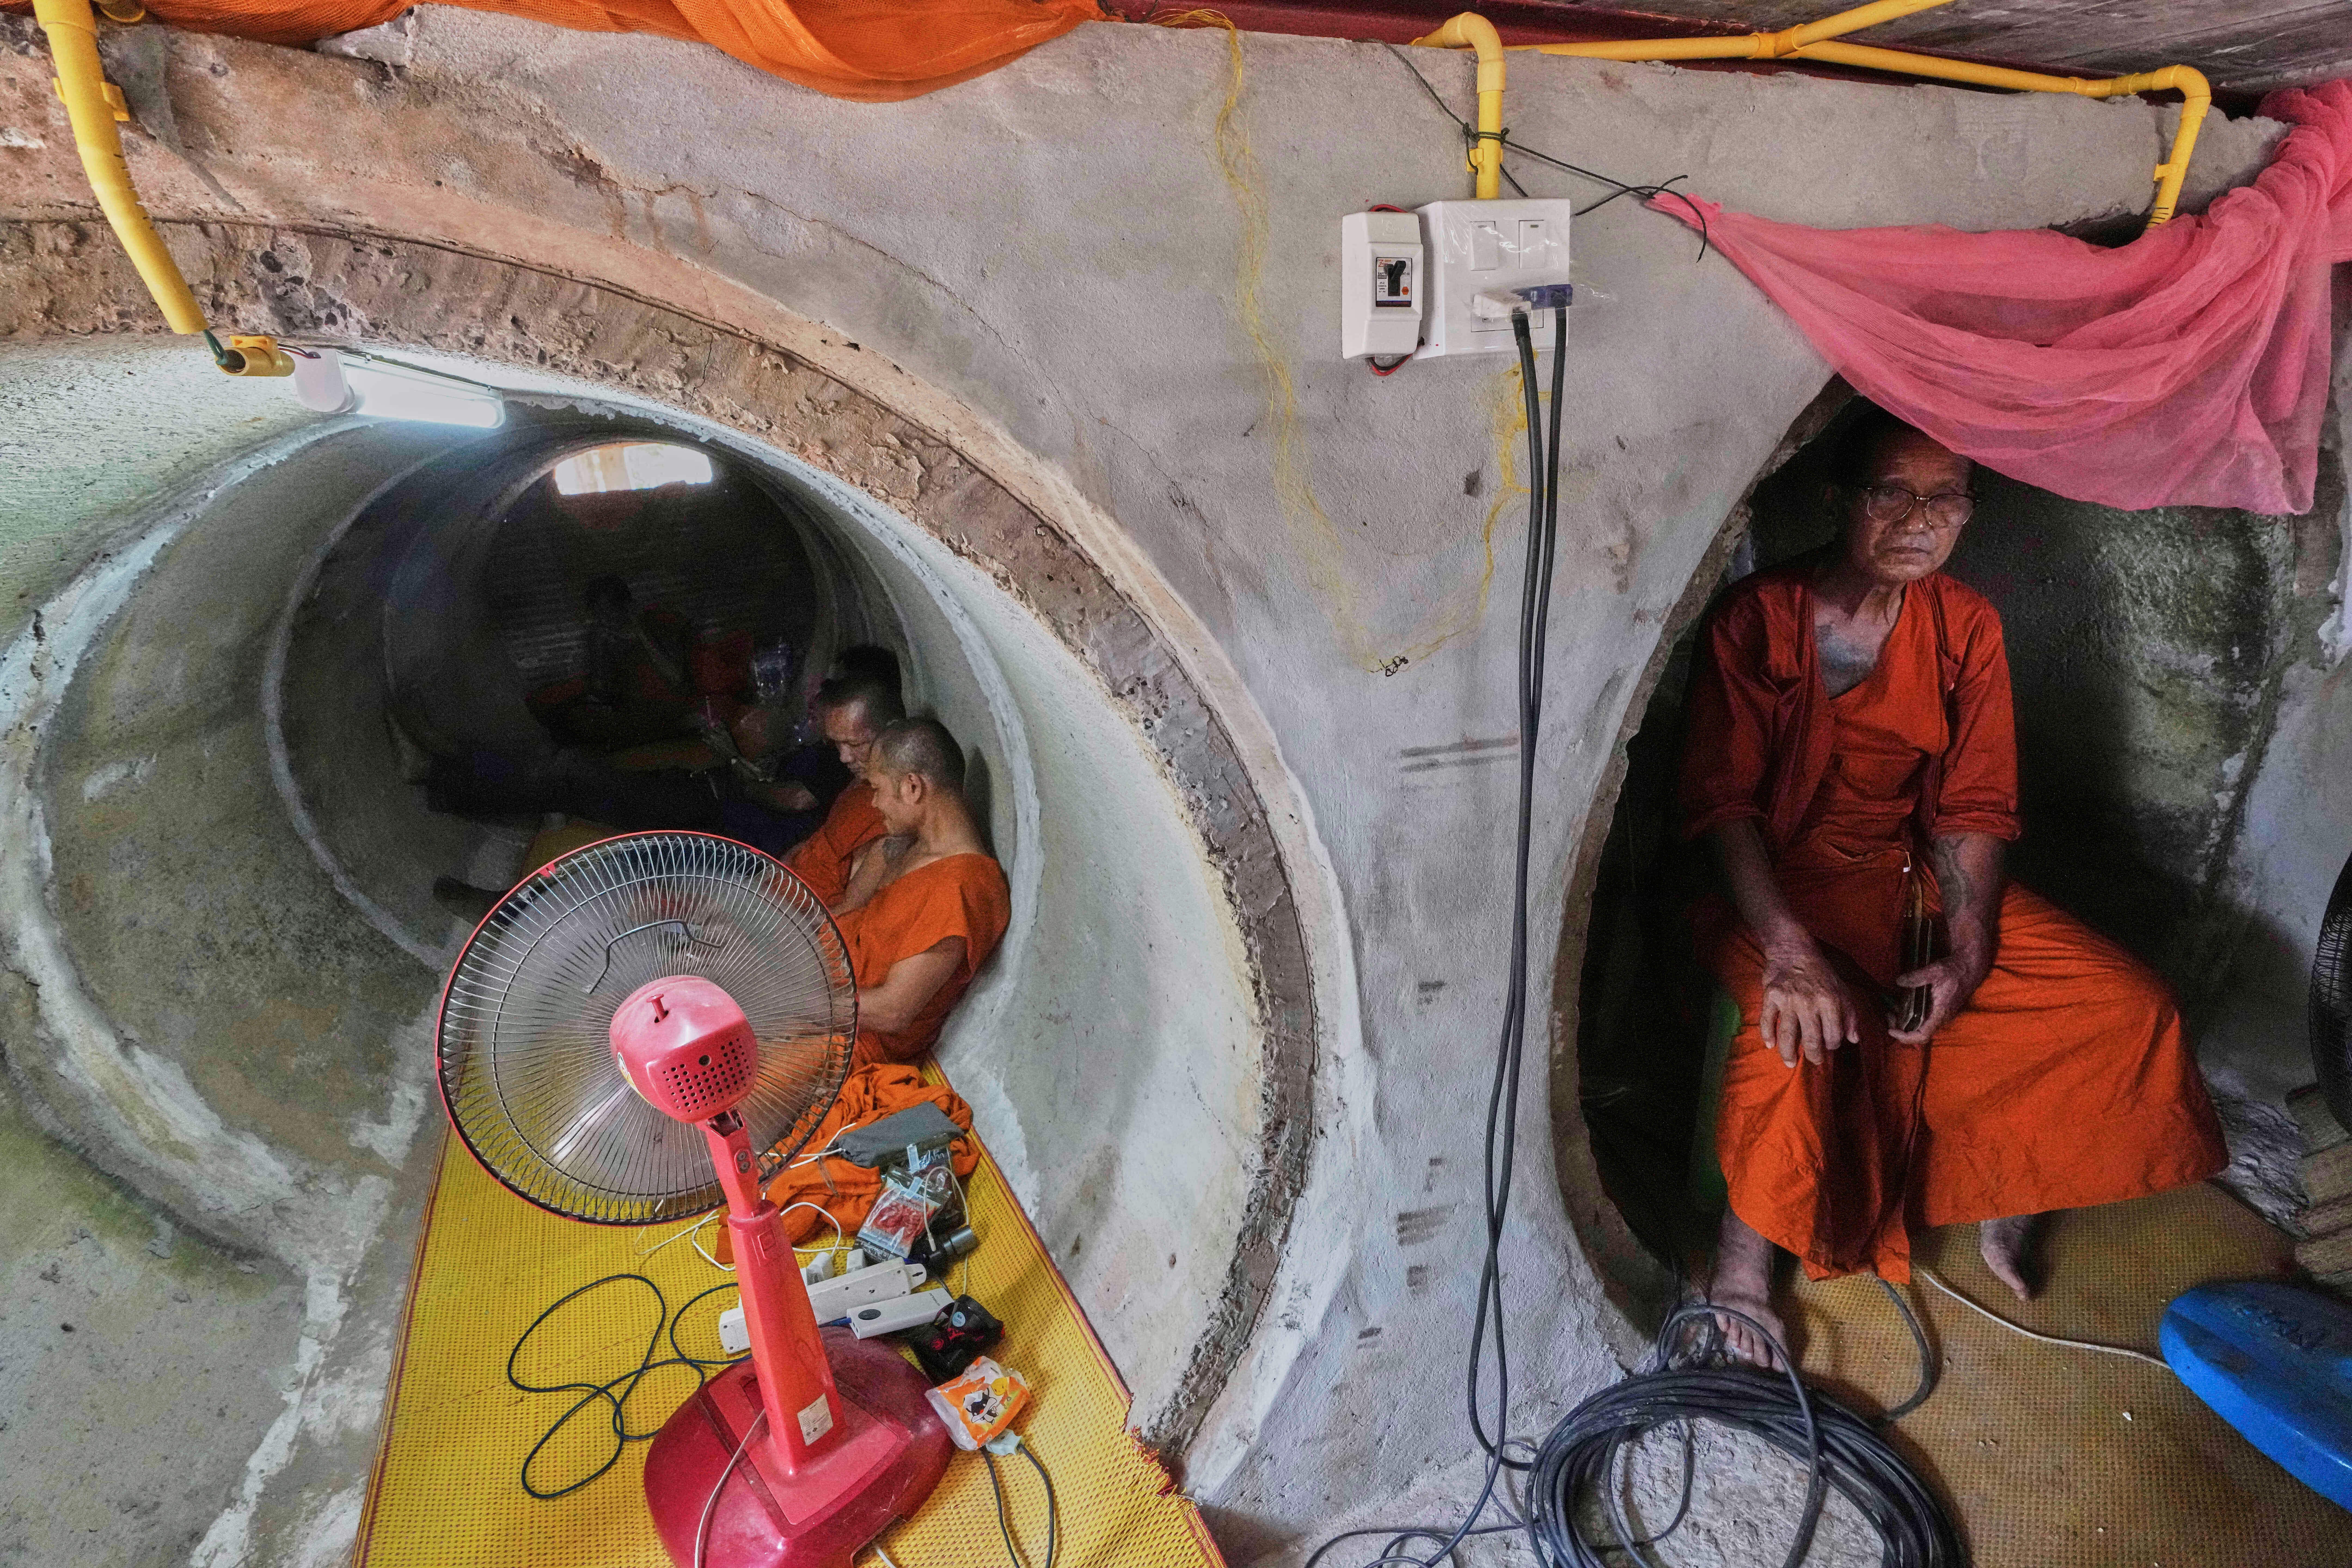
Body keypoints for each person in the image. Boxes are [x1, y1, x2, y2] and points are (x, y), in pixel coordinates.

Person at [1679, 406, 2226, 1367]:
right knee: (1795, 1033)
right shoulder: (1757, 619)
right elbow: (1721, 806)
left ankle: (2015, 1187)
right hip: (1768, 891)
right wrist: (1791, 950)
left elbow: (1976, 804)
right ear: (1840, 500)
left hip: (1904, 877)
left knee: (2121, 1003)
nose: (1920, 521)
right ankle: (1742, 1262)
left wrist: (1968, 952)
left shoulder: (1964, 624)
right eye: (1892, 493)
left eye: (1947, 500)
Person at [832, 717, 1010, 1068]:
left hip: (851, 1040)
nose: (874, 804)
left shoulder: (964, 884)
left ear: (912, 787)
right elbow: (849, 912)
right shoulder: (902, 848)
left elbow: (894, 1011)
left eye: (878, 789)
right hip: (823, 986)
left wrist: (797, 1005)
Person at [785, 663, 904, 907]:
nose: (844, 758)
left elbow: (848, 908)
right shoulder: (862, 784)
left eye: (856, 744)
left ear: (892, 733)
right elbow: (818, 845)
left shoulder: (890, 811)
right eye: (837, 745)